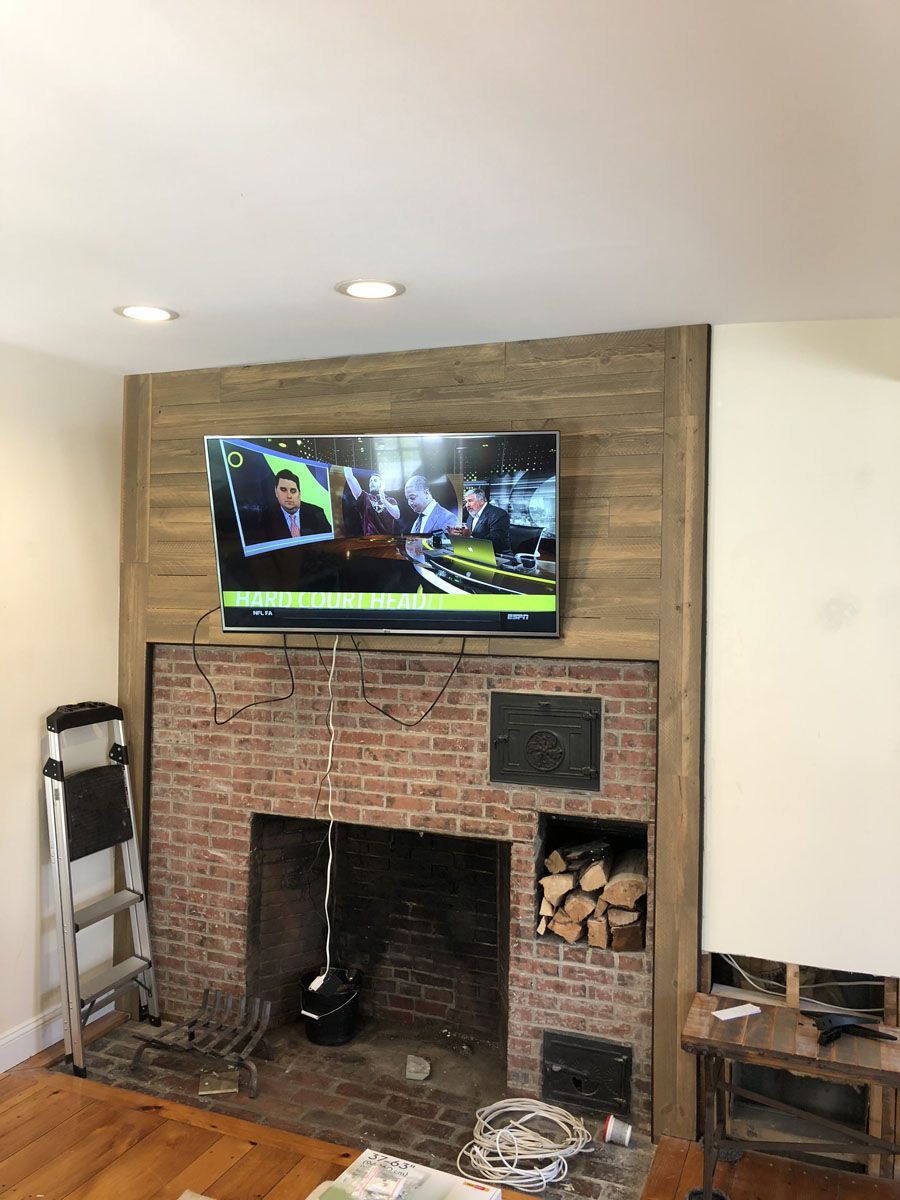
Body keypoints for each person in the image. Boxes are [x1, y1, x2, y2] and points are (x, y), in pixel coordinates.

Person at [256, 468, 331, 542]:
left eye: (293, 491)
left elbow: (329, 545)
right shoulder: (267, 517)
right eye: (283, 490)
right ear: (276, 492)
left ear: (299, 493)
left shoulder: (317, 513)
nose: (289, 496)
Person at [343, 466, 400, 535]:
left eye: (375, 481)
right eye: (370, 481)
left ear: (381, 484)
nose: (372, 483)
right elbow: (349, 478)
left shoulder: (390, 500)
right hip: (370, 541)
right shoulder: (365, 497)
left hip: (387, 541)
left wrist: (384, 501)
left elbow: (397, 515)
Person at [460, 486, 511, 553]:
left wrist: (471, 535)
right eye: (466, 502)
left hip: (496, 556)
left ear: (481, 501)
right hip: (476, 553)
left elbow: (496, 540)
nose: (467, 505)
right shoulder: (471, 515)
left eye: (470, 501)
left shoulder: (499, 514)